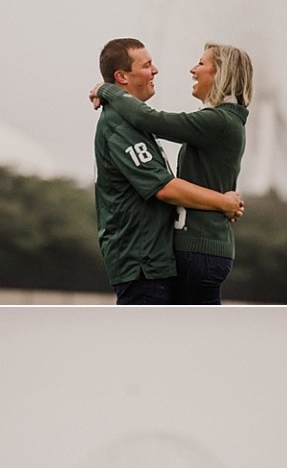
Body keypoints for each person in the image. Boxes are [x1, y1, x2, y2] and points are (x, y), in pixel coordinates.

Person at [93, 43, 252, 305]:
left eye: (200, 63)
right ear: (122, 76)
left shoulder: (218, 121)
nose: (155, 71)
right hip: (141, 263)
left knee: (184, 338)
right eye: (146, 65)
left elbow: (152, 120)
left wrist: (105, 90)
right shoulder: (121, 125)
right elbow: (163, 187)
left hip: (162, 260)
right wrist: (223, 201)